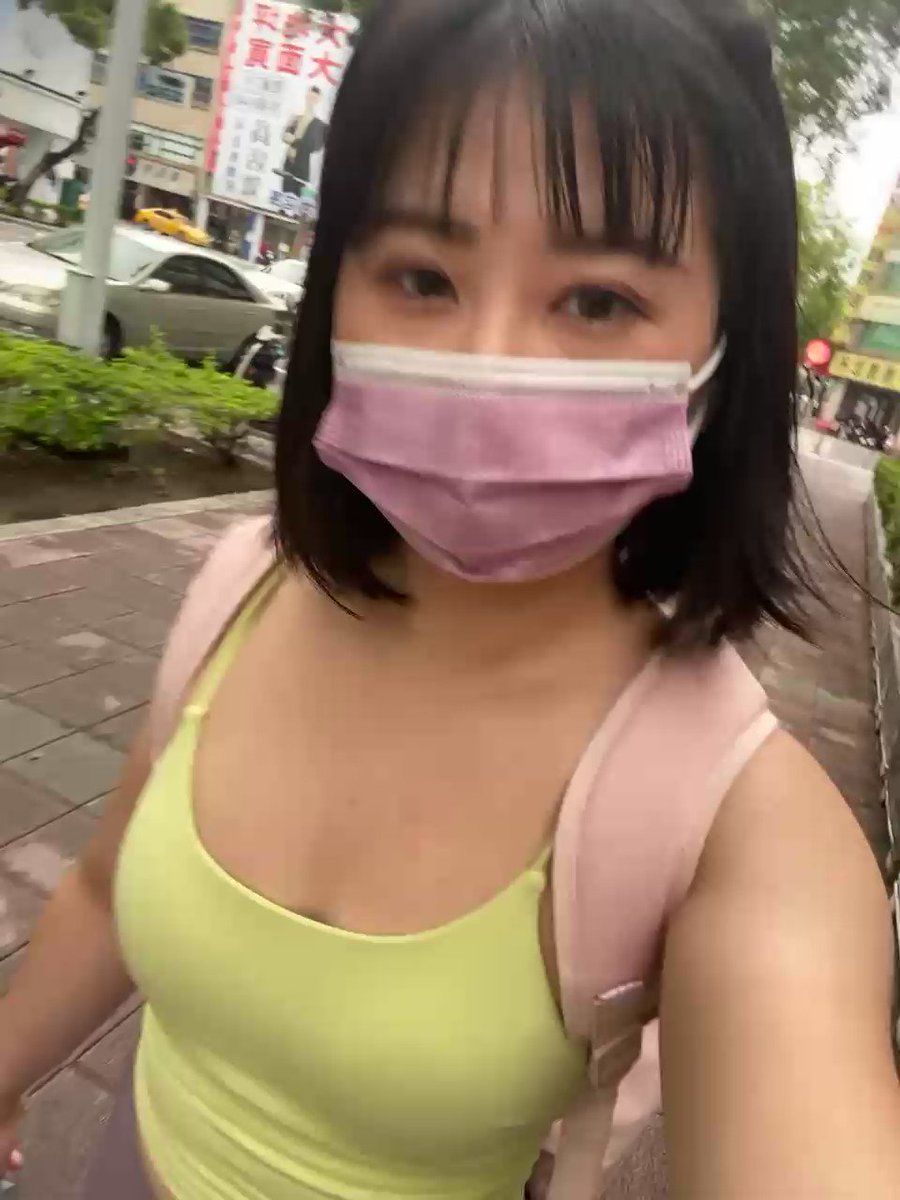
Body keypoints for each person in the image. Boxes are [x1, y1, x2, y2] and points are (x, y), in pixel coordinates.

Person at [2, 1, 900, 1198]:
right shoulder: (242, 588)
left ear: (724, 351)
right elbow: (105, 889)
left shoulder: (741, 827)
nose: (493, 361)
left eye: (598, 302)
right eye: (421, 276)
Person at [279, 86, 328, 198]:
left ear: (318, 100)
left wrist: (295, 141)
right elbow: (285, 135)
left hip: (303, 166)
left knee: (298, 196)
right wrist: (291, 139)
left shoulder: (320, 125)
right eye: (309, 97)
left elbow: (315, 147)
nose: (311, 101)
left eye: (314, 98)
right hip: (289, 162)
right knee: (285, 195)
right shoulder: (296, 117)